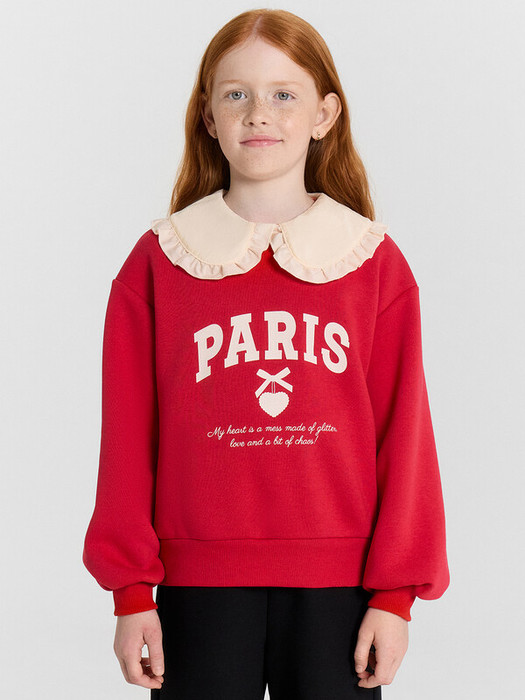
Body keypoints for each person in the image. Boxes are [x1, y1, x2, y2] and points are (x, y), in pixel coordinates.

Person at [82, 8, 450, 699]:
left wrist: (395, 596)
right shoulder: (159, 261)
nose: (259, 113)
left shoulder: (372, 261)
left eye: (284, 93)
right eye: (236, 94)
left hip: (341, 590)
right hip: (196, 588)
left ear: (324, 114)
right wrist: (131, 592)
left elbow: (404, 437)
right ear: (208, 115)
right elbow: (127, 439)